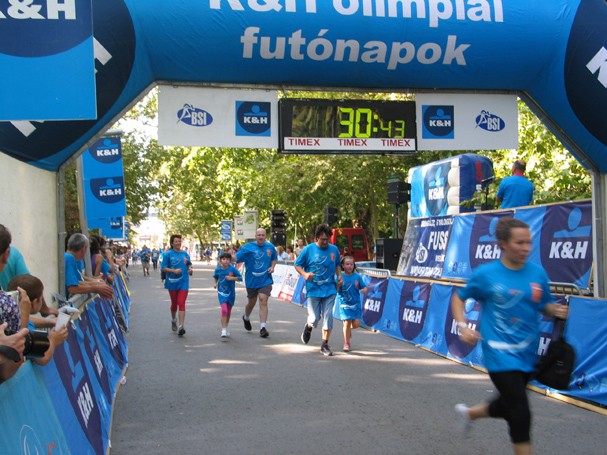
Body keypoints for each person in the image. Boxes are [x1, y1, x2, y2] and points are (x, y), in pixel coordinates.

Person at [451, 218, 569, 455]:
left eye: (529, 243)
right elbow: (458, 297)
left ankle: (471, 413)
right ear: (503, 244)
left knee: (508, 404)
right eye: (519, 243)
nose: (526, 248)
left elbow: (543, 306)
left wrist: (555, 310)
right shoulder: (486, 274)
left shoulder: (537, 273)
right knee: (520, 412)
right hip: (498, 354)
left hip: (527, 352)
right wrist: (463, 326)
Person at [294, 223, 343, 356]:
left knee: (328, 315)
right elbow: (297, 265)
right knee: (315, 318)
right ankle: (309, 326)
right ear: (316, 238)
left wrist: (339, 276)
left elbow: (337, 264)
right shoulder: (308, 249)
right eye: (322, 239)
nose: (325, 242)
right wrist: (305, 274)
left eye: (327, 239)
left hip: (330, 288)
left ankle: (324, 344)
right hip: (313, 288)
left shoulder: (334, 249)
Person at [7, 274, 69, 366]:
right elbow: (43, 359)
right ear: (34, 302)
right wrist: (53, 340)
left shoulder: (10, 315)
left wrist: (50, 321)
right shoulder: (26, 329)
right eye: (41, 298)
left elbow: (27, 318)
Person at [233, 228, 277, 338]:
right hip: (251, 280)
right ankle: (246, 317)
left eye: (263, 235)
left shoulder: (270, 247)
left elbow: (274, 258)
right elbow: (236, 258)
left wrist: (272, 266)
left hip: (265, 279)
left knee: (263, 299)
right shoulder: (248, 247)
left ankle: (263, 328)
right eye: (259, 235)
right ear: (255, 236)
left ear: (265, 236)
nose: (261, 237)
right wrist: (228, 256)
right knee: (251, 302)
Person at [333, 255, 368, 352]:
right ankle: (346, 342)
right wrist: (338, 285)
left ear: (354, 266)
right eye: (347, 264)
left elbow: (364, 287)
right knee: (347, 322)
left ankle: (348, 331)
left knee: (356, 324)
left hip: (355, 304)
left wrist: (364, 290)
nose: (349, 266)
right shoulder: (340, 276)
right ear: (343, 266)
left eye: (351, 264)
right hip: (344, 303)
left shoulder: (357, 277)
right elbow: (335, 289)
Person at [64, 233, 114, 300]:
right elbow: (72, 288)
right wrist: (96, 288)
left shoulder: (70, 258)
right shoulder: (69, 258)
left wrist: (96, 284)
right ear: (84, 249)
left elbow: (78, 281)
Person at [161, 234, 193, 336]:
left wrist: (190, 269)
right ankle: (174, 319)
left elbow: (188, 264)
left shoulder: (185, 254)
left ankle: (181, 326)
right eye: (176, 241)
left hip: (184, 281)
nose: (178, 243)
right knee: (174, 304)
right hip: (172, 282)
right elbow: (163, 268)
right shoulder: (168, 254)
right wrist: (173, 271)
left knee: (181, 302)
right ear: (172, 243)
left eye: (179, 241)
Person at [213, 252, 243, 338]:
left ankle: (225, 327)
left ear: (230, 261)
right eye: (223, 259)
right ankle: (223, 330)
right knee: (224, 310)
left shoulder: (232, 269)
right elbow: (215, 277)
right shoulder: (218, 269)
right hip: (221, 292)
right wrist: (215, 284)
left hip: (230, 293)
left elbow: (240, 278)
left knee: (228, 311)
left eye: (227, 259)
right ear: (220, 261)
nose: (225, 261)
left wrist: (232, 278)